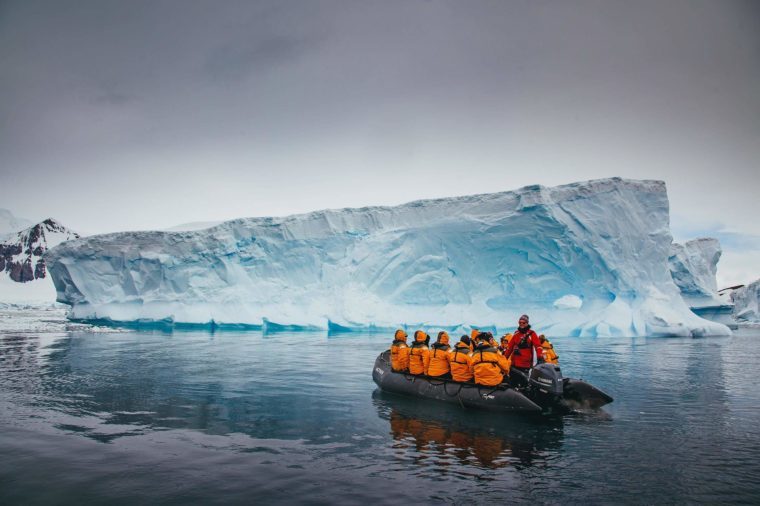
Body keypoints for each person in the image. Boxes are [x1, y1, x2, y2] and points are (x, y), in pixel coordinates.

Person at [504, 315, 544, 385]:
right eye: (520, 323)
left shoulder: (532, 334)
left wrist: (540, 357)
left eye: (523, 323)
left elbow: (538, 346)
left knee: (524, 383)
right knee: (513, 382)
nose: (521, 324)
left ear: (527, 323)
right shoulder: (516, 334)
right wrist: (504, 359)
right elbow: (509, 348)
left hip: (525, 364)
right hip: (514, 364)